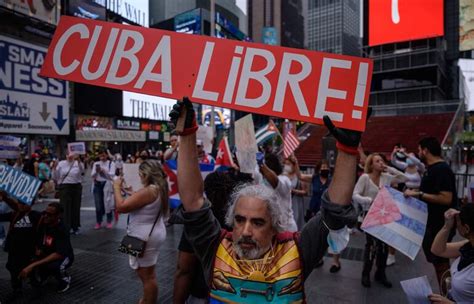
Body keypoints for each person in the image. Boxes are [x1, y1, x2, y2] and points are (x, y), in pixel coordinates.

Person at [168, 98, 359, 302]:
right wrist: (187, 133)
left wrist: (347, 151)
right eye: (240, 220)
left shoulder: (297, 251)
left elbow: (334, 212)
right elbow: (193, 202)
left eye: (258, 222)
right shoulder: (215, 248)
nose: (246, 232)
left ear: (275, 227)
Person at [113, 159, 169, 304]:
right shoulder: (159, 187)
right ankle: (146, 299)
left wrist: (116, 187)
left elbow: (121, 207)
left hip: (144, 236)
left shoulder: (149, 190)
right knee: (147, 273)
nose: (139, 177)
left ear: (146, 174)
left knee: (147, 276)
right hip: (152, 232)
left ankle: (148, 301)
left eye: (140, 174)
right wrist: (132, 193)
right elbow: (144, 202)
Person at [404, 137, 457, 287]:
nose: (419, 152)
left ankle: (447, 292)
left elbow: (446, 198)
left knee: (440, 260)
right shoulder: (432, 168)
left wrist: (419, 194)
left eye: (420, 149)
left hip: (440, 224)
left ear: (426, 150)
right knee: (435, 258)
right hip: (432, 223)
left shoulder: (441, 169)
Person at [353, 153, 408, 288]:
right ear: (371, 164)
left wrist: (389, 168)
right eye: (377, 161)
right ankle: (366, 273)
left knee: (384, 246)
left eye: (382, 161)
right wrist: (368, 200)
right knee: (371, 245)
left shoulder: (386, 177)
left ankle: (380, 273)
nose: (380, 163)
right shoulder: (365, 178)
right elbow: (355, 195)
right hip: (369, 215)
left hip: (384, 216)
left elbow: (404, 178)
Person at [19, 202, 74, 294]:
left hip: (63, 255)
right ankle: (44, 275)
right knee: (28, 257)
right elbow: (24, 209)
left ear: (58, 216)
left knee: (56, 266)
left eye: (49, 215)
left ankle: (64, 280)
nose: (45, 216)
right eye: (44, 213)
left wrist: (33, 265)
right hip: (47, 252)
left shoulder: (62, 229)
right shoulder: (43, 222)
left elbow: (58, 254)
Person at [428, 205, 474, 303]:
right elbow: (438, 250)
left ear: (466, 228)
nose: (456, 225)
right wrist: (447, 226)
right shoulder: (469, 246)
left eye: (458, 221)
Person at [0, 192, 41, 296]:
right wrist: (4, 198)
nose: (21, 206)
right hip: (14, 249)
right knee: (13, 269)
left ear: (31, 204)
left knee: (31, 271)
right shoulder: (14, 214)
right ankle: (16, 289)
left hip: (28, 250)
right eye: (20, 203)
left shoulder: (36, 216)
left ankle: (36, 289)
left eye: (24, 204)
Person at [53, 152, 84, 234]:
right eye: (67, 154)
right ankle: (66, 226)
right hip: (65, 186)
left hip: (76, 186)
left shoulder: (78, 163)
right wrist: (54, 168)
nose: (69, 156)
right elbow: (56, 176)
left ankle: (75, 226)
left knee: (76, 207)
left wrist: (79, 160)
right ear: (65, 156)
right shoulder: (61, 163)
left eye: (71, 155)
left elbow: (82, 171)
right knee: (65, 207)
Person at [91, 150, 115, 229]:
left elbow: (112, 175)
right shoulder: (96, 164)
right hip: (97, 184)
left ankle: (109, 221)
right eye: (100, 155)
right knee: (98, 204)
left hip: (107, 184)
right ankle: (99, 221)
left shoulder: (111, 163)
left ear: (106, 155)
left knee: (107, 203)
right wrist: (97, 172)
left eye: (104, 155)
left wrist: (104, 171)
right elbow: (92, 175)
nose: (102, 157)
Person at [283, 156, 307, 231]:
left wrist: (294, 191)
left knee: (296, 221)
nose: (287, 166)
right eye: (285, 164)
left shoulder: (299, 176)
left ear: (293, 165)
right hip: (286, 203)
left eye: (289, 164)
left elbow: (305, 191)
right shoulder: (283, 176)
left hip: (296, 203)